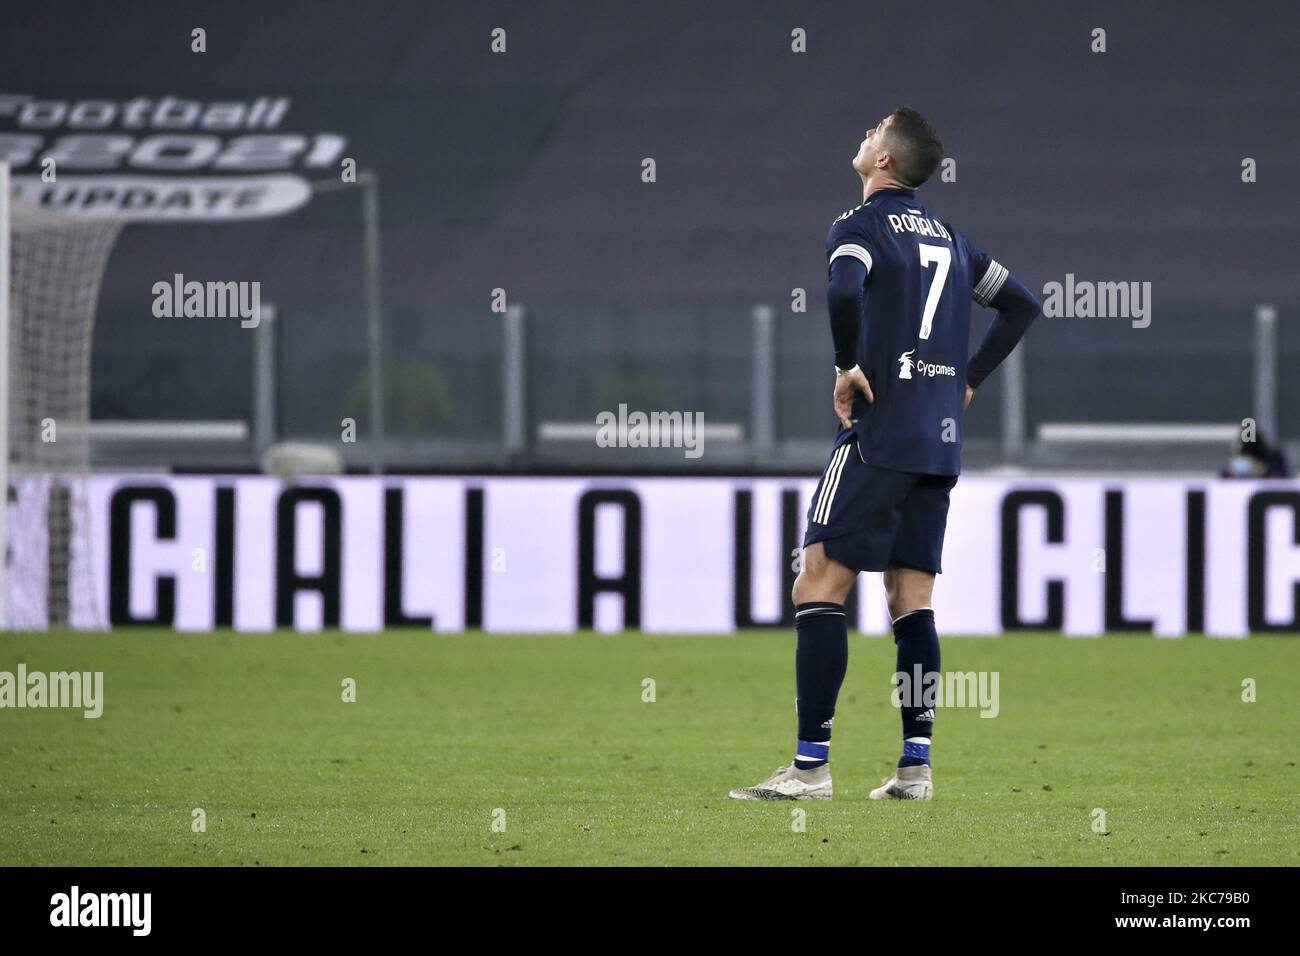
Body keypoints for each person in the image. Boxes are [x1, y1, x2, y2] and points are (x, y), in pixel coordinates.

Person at [729, 108, 1040, 802]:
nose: (864, 134)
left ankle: (810, 769)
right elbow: (1022, 305)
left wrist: (845, 365)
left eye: (875, 130)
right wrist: (967, 379)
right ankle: (915, 767)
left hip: (880, 433)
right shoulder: (953, 242)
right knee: (912, 599)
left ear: (885, 162)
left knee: (816, 584)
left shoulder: (860, 225)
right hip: (938, 441)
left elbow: (843, 287)